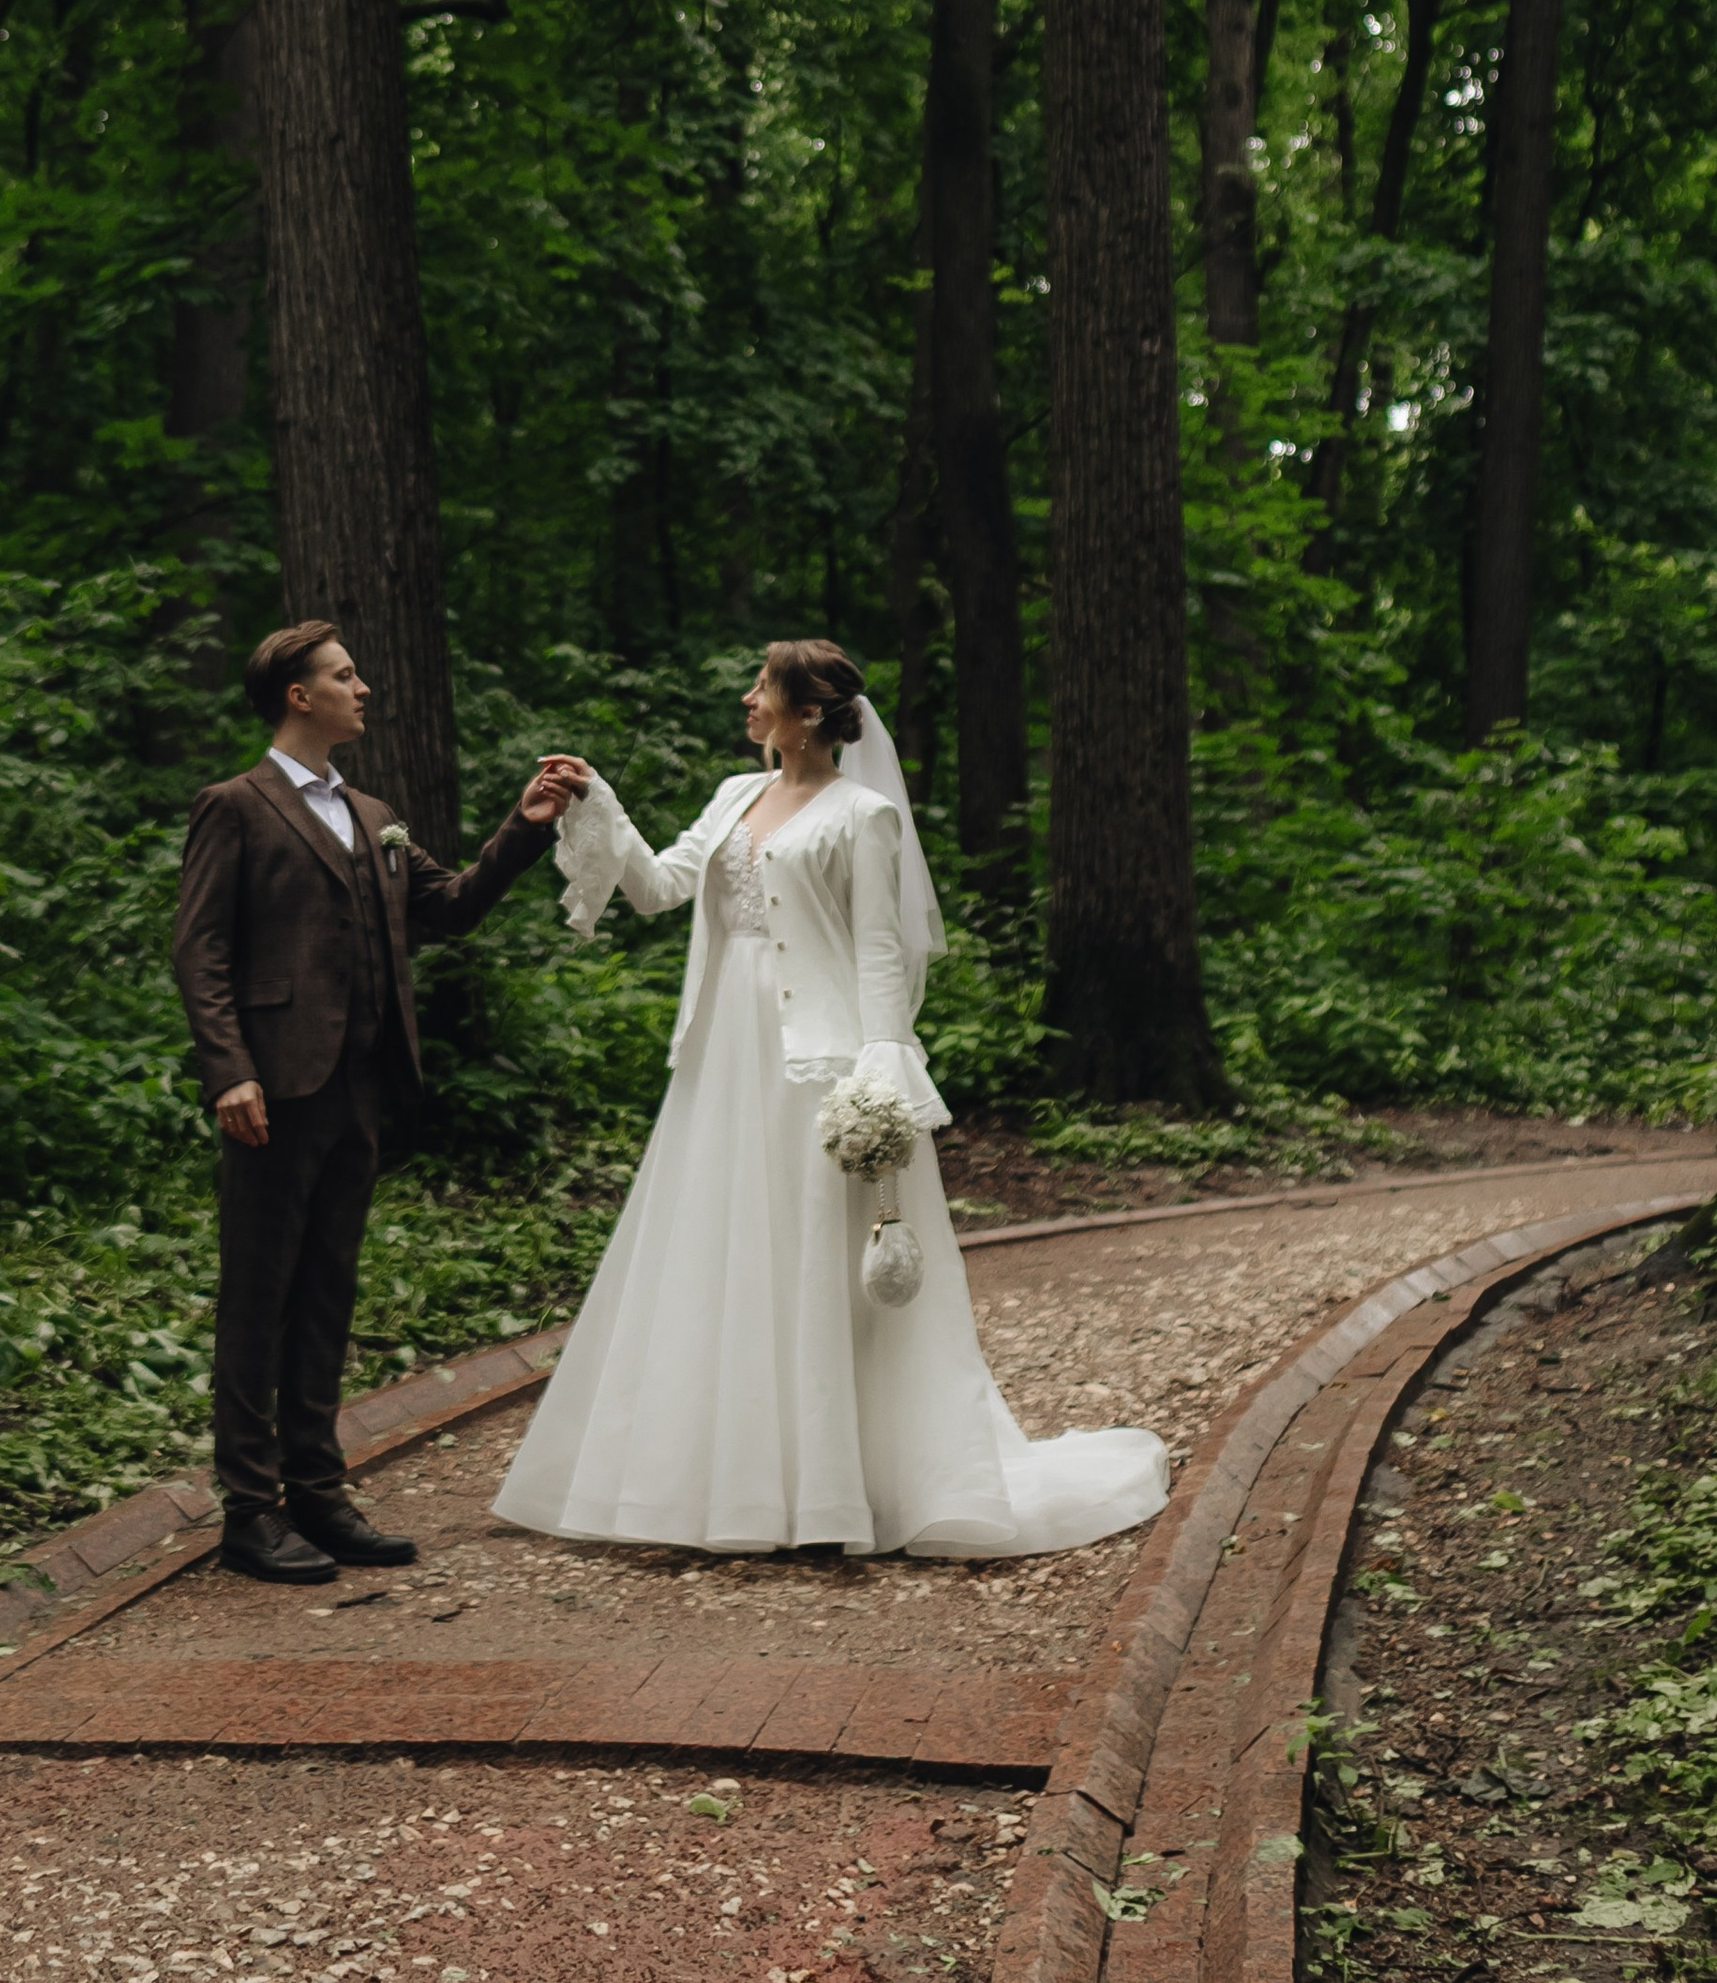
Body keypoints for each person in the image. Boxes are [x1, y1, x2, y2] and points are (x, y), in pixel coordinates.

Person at [493, 637, 1168, 1559]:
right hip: (724, 1058)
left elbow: (880, 949)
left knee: (814, 1256)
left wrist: (882, 1072)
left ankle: (833, 1490)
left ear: (807, 711)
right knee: (728, 1248)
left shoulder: (864, 815)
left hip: (819, 1063)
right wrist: (595, 801)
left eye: (761, 687)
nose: (747, 699)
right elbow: (658, 889)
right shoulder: (734, 795)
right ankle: (730, 1482)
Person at [171, 620, 584, 1583]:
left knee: (326, 1294)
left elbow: (450, 908)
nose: (363, 688)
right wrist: (230, 1070)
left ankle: (317, 1491)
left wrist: (526, 825)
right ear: (298, 696)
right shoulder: (235, 806)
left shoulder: (372, 812)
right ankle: (249, 1512)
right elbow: (200, 949)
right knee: (259, 1299)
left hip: (360, 1087)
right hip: (274, 1090)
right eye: (344, 675)